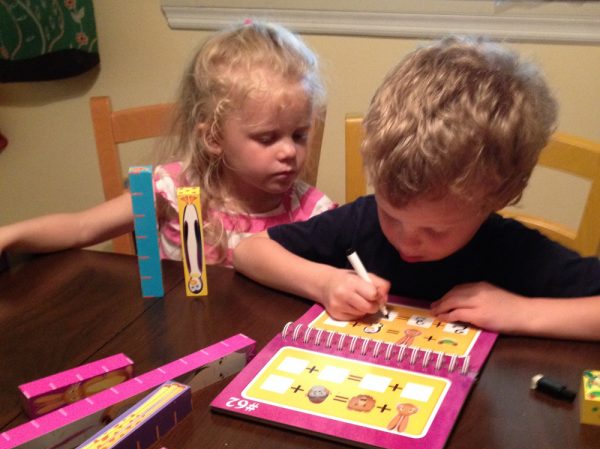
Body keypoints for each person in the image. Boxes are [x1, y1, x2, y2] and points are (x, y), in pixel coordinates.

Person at [233, 36, 600, 341]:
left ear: (498, 197)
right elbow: (249, 251)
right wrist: (325, 283)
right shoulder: (361, 222)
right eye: (391, 214)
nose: (407, 241)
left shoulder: (512, 252)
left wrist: (524, 312)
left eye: (436, 229)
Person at [0, 21, 336, 266]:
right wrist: (9, 236)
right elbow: (81, 227)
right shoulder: (173, 190)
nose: (289, 151)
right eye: (267, 138)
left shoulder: (311, 211)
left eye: (299, 135)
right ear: (214, 137)